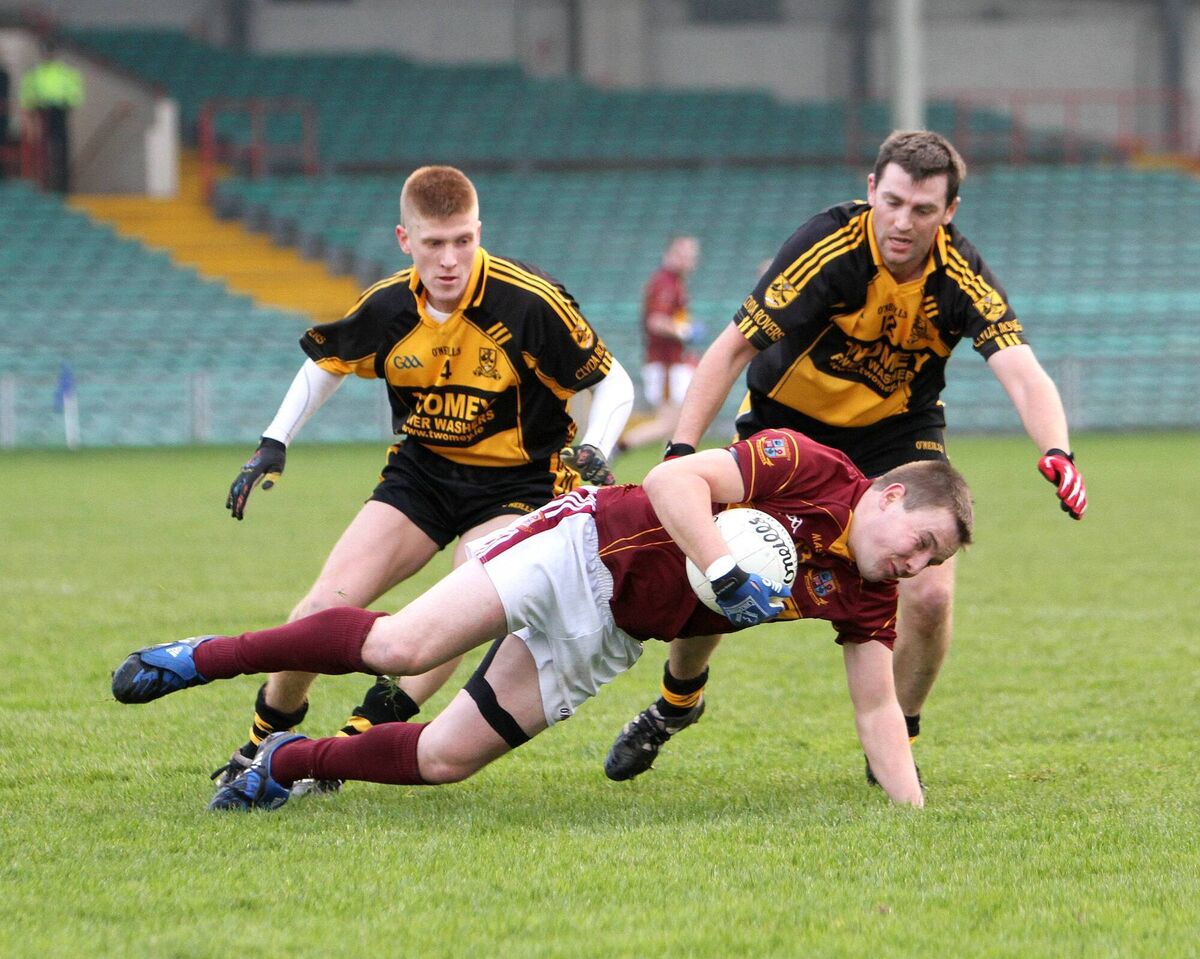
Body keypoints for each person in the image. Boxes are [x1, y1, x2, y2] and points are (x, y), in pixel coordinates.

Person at [112, 428, 975, 811]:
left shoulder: (867, 594)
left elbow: (875, 711)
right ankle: (205, 657)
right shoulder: (812, 466)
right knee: (400, 645)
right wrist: (718, 563)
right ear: (892, 495)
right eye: (922, 543)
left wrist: (912, 813)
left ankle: (287, 761)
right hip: (581, 543)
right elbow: (676, 483)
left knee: (445, 759)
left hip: (609, 633)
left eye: (932, 563)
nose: (917, 566)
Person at [604, 130, 1088, 784]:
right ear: (871, 190)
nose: (902, 221)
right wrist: (682, 450)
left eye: (922, 210)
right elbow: (729, 350)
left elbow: (1024, 373)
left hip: (896, 432)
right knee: (722, 556)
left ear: (948, 212)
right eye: (892, 202)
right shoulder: (829, 247)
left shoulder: (958, 274)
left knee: (932, 594)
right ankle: (676, 702)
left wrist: (1057, 450)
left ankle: (896, 736)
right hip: (790, 423)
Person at [215, 165, 634, 798]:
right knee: (322, 608)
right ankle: (262, 739)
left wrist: (596, 447)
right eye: (434, 243)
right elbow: (327, 362)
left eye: (463, 240)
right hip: (422, 475)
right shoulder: (389, 305)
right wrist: (275, 441)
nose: (450, 259)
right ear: (404, 240)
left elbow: (613, 381)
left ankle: (350, 745)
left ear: (479, 233)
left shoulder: (530, 302)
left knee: (460, 604)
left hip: (517, 484)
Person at [618, 235, 701, 452]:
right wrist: (684, 330)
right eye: (682, 255)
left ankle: (668, 469)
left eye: (691, 256)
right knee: (670, 424)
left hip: (671, 362)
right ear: (668, 255)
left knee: (675, 426)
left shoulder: (673, 283)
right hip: (666, 364)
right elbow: (655, 322)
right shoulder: (665, 283)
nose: (688, 261)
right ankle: (618, 445)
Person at [18, 41, 84, 193]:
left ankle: (63, 185)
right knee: (42, 151)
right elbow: (27, 95)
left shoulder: (65, 73)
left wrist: (67, 103)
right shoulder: (35, 74)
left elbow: (75, 93)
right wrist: (31, 108)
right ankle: (44, 184)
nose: (48, 55)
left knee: (61, 149)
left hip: (59, 111)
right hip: (40, 113)